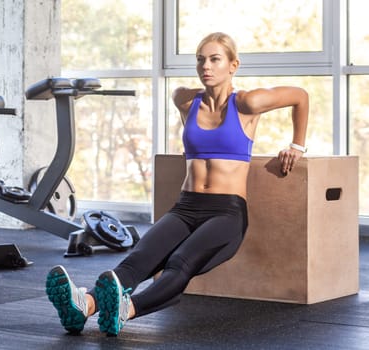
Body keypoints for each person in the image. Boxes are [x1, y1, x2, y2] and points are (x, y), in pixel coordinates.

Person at [45, 32, 309, 337]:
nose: (205, 66)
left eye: (214, 59)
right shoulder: (185, 99)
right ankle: (85, 306)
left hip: (226, 213)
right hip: (186, 206)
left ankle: (127, 309)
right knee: (139, 259)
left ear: (233, 65)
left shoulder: (247, 103)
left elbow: (300, 96)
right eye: (200, 60)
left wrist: (297, 146)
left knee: (179, 263)